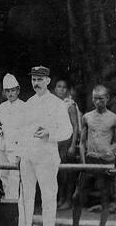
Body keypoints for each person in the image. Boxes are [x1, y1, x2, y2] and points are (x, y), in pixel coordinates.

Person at [18, 66, 72, 226]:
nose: (36, 83)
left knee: (48, 197)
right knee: (25, 196)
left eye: (39, 79)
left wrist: (50, 133)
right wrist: (20, 153)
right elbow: (22, 130)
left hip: (46, 157)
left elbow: (67, 130)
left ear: (47, 81)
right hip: (28, 157)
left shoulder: (57, 104)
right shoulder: (29, 103)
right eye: (33, 79)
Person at [72, 85, 116, 226]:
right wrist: (83, 163)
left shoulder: (114, 119)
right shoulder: (87, 117)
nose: (98, 102)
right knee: (77, 197)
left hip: (106, 161)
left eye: (101, 99)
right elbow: (81, 143)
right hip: (90, 160)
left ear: (107, 98)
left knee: (105, 197)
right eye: (95, 99)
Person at [0, 73, 26, 200]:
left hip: (16, 147)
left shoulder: (23, 107)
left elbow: (25, 129)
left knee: (15, 176)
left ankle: (14, 202)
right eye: (8, 91)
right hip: (2, 145)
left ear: (18, 91)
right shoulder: (2, 107)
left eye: (13, 91)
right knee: (4, 175)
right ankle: (7, 200)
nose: (10, 94)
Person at [53, 79, 80, 210]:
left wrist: (72, 145)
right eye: (59, 87)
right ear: (55, 89)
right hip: (56, 142)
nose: (61, 89)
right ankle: (61, 198)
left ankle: (68, 200)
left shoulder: (69, 104)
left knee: (67, 173)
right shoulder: (53, 104)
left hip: (67, 142)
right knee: (58, 173)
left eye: (64, 87)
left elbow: (75, 126)